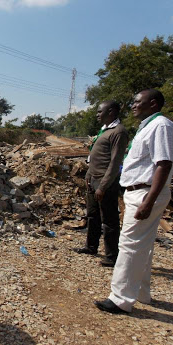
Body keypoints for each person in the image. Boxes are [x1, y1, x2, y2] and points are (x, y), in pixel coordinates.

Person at [95, 89, 173, 313]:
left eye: (137, 102)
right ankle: (141, 292)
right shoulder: (148, 126)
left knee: (129, 244)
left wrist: (148, 201)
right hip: (138, 191)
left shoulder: (161, 126)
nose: (133, 105)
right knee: (143, 245)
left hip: (145, 192)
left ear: (153, 103)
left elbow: (164, 164)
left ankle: (120, 299)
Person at [75, 101, 128, 267]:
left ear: (111, 111)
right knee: (92, 215)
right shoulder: (105, 130)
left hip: (105, 181)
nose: (97, 114)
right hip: (93, 179)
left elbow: (115, 162)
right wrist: (88, 177)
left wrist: (103, 186)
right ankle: (91, 247)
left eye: (100, 111)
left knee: (109, 219)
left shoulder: (118, 132)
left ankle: (112, 256)